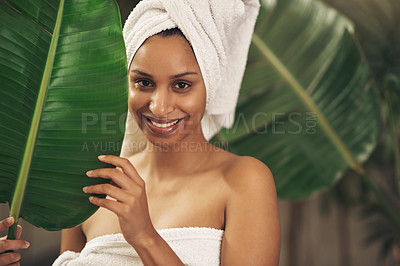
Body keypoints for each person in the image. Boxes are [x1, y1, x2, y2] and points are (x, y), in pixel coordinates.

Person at [54, 0, 280, 265]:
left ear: (211, 84)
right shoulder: (98, 180)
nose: (159, 107)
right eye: (144, 82)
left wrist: (145, 236)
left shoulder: (243, 181)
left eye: (182, 84)